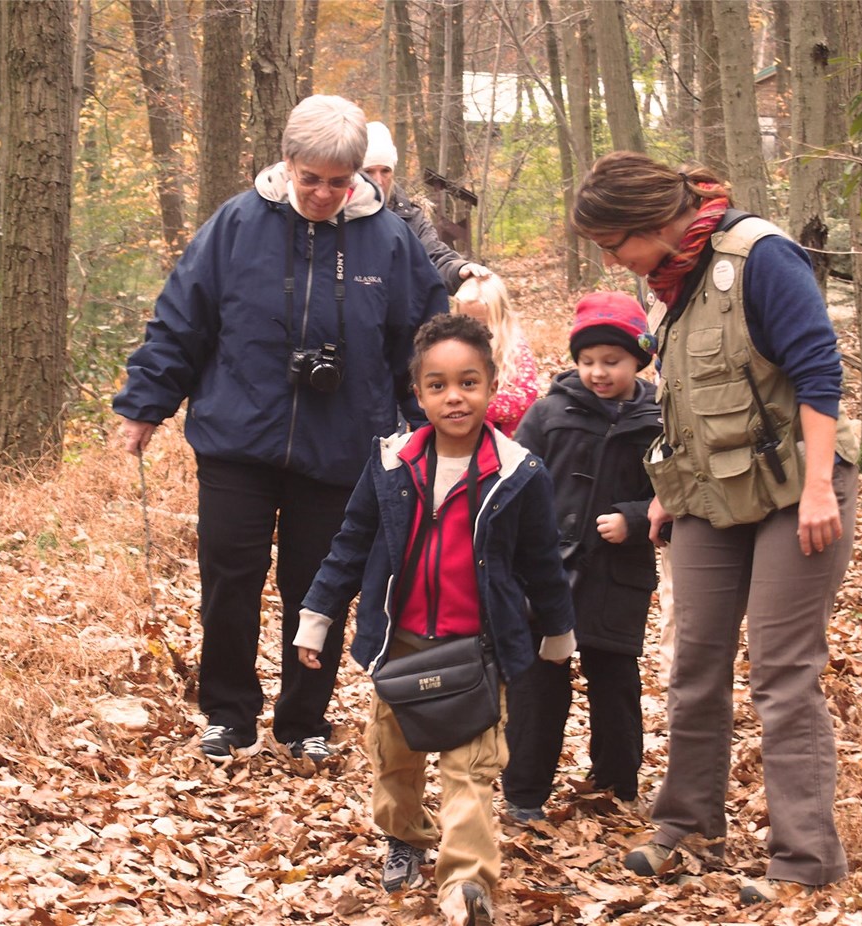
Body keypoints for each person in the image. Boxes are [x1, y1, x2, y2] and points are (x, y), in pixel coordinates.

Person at [113, 95, 448, 765]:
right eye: (311, 177)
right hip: (238, 437)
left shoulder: (388, 240)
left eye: (338, 180)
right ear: (288, 164)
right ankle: (229, 715)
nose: (324, 193)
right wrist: (147, 402)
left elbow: (422, 343)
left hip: (343, 445)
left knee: (319, 587)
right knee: (229, 578)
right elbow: (184, 317)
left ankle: (303, 719)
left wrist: (434, 429)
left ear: (359, 174)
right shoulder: (236, 225)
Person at [572, 152, 860, 905]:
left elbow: (819, 370)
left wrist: (822, 487)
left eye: (615, 244)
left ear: (656, 225)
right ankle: (688, 828)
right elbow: (687, 392)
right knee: (693, 662)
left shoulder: (760, 255)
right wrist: (668, 487)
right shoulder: (671, 282)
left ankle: (803, 860)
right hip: (706, 495)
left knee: (780, 670)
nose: (613, 260)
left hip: (798, 487)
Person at [294, 314, 576, 926]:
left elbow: (541, 561)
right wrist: (317, 614)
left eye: (469, 382)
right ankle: (406, 835)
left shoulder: (518, 473)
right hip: (401, 645)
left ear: (492, 386)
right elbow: (351, 542)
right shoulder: (393, 462)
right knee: (395, 761)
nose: (455, 396)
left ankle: (466, 885)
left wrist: (558, 631)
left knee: (470, 770)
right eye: (439, 384)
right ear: (417, 393)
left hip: (479, 649)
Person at [501, 291, 663, 822]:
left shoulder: (656, 420)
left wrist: (636, 520)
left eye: (611, 362)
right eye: (588, 361)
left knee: (614, 681)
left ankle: (616, 784)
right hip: (547, 575)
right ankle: (524, 793)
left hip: (619, 575)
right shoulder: (548, 414)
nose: (598, 372)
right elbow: (510, 478)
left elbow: (677, 492)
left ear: (638, 360)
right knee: (537, 686)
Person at [362, 121, 489, 294]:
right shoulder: (338, 214)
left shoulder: (411, 218)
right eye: (369, 171)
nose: (378, 180)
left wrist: (459, 270)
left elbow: (435, 258)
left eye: (385, 170)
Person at [451, 273, 539, 435]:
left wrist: (475, 402)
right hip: (462, 441)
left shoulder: (514, 348)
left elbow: (524, 398)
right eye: (464, 321)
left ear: (499, 319)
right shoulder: (452, 349)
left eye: (481, 323)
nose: (472, 330)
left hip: (507, 443)